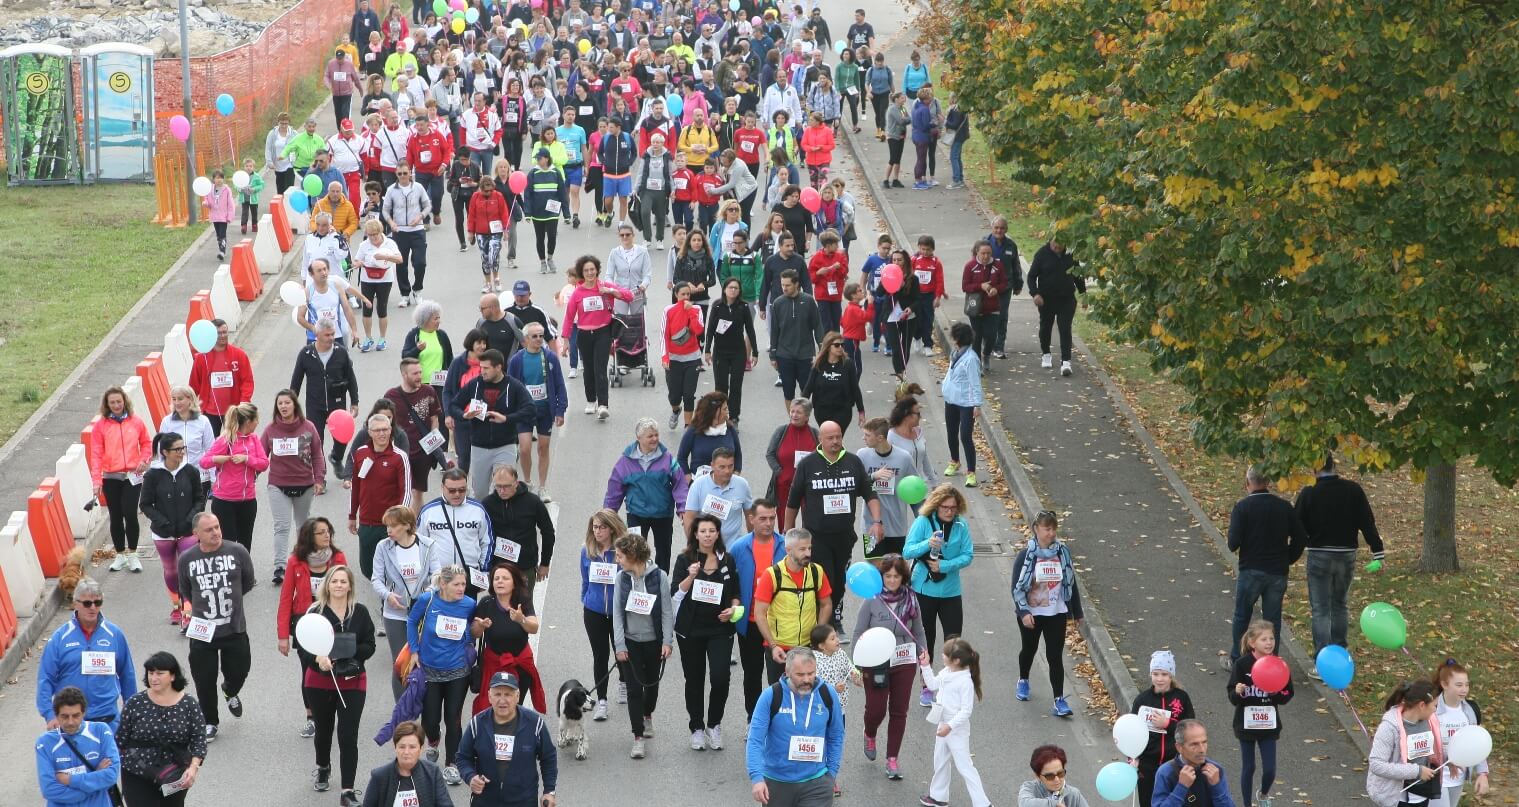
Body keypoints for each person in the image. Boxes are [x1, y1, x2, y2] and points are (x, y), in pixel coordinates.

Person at [785, 421, 882, 635]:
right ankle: (824, 626)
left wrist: (877, 522)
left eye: (838, 436)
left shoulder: (853, 462)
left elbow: (869, 494)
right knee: (824, 579)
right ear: (820, 439)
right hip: (816, 538)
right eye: (830, 438)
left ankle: (830, 619)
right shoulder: (808, 464)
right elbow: (792, 501)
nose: (836, 441)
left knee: (838, 583)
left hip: (844, 536)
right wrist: (788, 532)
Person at [1293, 453, 1386, 668]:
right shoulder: (1353, 490)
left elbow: (1297, 525)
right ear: (1333, 465)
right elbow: (1367, 521)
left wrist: (1295, 549)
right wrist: (1377, 551)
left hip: (1319, 554)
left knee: (1321, 608)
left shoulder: (1309, 492)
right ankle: (1341, 650)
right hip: (1346, 554)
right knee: (1340, 603)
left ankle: (1322, 659)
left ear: (1315, 469)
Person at [295, 565, 376, 805]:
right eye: (335, 581)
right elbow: (303, 645)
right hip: (319, 683)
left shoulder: (360, 612)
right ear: (327, 585)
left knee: (348, 735)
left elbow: (370, 644)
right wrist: (317, 659)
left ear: (350, 585)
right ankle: (323, 765)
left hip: (352, 681)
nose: (339, 585)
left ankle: (347, 791)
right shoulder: (315, 611)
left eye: (343, 581)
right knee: (323, 730)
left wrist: (349, 653)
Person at [177, 512, 256, 741]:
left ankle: (230, 690)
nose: (216, 532)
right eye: (209, 529)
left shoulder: (237, 551)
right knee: (204, 679)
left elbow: (247, 582)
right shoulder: (187, 559)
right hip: (202, 631)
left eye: (217, 527)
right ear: (196, 534)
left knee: (240, 670)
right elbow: (185, 589)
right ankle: (210, 721)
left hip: (234, 628)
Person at [854, 555, 929, 781]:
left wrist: (923, 652)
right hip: (876, 662)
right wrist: (857, 665)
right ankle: (870, 732)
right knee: (876, 710)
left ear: (903, 577)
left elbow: (918, 630)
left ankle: (892, 759)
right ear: (881, 577)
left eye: (897, 576)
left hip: (904, 660)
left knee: (899, 710)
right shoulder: (871, 600)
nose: (893, 580)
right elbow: (858, 632)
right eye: (888, 576)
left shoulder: (912, 598)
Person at [672, 513, 743, 752]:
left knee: (720, 677)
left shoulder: (728, 560)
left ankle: (714, 724)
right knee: (694, 679)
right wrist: (691, 576)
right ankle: (697, 728)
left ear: (718, 533)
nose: (707, 535)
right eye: (703, 531)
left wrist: (733, 610)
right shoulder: (684, 560)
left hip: (720, 628)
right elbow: (675, 594)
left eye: (712, 531)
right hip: (690, 630)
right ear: (695, 534)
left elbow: (736, 593)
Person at [1225, 466, 1306, 666]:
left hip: (1251, 569)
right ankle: (1270, 661)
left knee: (1242, 615)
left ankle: (1238, 658)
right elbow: (1301, 537)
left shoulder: (1242, 508)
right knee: (1272, 619)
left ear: (1247, 483)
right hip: (1277, 571)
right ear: (1268, 482)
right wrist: (1288, 558)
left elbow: (1232, 543)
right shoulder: (1284, 507)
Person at [745, 645, 845, 806]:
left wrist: (831, 773)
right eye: (800, 674)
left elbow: (836, 735)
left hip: (817, 782)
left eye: (811, 673)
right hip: (777, 782)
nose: (806, 679)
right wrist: (756, 778)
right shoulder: (771, 696)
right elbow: (755, 739)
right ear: (787, 671)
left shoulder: (827, 694)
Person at [407, 565, 479, 784]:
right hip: (429, 669)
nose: (461, 589)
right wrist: (414, 651)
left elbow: (472, 630)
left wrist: (474, 635)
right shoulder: (427, 600)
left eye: (463, 584)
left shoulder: (469, 604)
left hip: (458, 670)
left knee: (453, 718)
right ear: (443, 584)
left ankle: (452, 765)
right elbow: (411, 621)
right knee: (430, 720)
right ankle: (434, 741)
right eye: (456, 584)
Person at [276, 517, 348, 736]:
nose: (327, 535)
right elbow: (286, 598)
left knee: (335, 666)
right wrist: (282, 636)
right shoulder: (295, 562)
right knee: (309, 671)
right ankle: (311, 716)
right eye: (321, 532)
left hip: (334, 621)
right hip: (305, 623)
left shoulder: (338, 558)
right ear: (310, 537)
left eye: (328, 531)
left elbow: (348, 590)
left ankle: (335, 710)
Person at [36, 578, 136, 734]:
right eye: (87, 603)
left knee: (111, 759)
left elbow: (127, 674)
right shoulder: (60, 637)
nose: (93, 608)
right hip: (71, 722)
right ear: (76, 603)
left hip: (107, 720)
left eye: (98, 603)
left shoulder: (114, 634)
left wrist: (131, 712)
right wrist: (49, 715)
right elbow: (46, 678)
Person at [1011, 509, 1085, 717]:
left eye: (1054, 529)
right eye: (1047, 529)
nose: (1051, 533)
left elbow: (1071, 582)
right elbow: (1016, 587)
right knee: (1029, 648)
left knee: (1055, 656)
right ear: (1036, 529)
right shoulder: (1026, 556)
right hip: (1031, 614)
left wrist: (1076, 611)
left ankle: (1059, 700)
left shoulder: (1062, 553)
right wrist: (1023, 612)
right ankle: (1023, 679)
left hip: (1056, 612)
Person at [611, 532, 675, 759]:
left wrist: (667, 641)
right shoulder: (621, 578)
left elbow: (667, 611)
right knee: (634, 690)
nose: (617, 560)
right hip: (630, 643)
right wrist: (619, 645)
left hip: (654, 642)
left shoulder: (660, 576)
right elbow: (617, 613)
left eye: (620, 556)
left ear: (633, 555)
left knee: (652, 686)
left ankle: (648, 715)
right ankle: (637, 736)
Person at [115, 652, 207, 807]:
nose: (153, 678)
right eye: (151, 673)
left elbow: (199, 739)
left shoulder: (189, 704)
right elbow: (120, 739)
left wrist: (193, 768)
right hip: (137, 771)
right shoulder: (135, 702)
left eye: (160, 673)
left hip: (174, 773)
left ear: (172, 676)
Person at [604, 418, 691, 573]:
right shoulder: (625, 462)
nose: (655, 439)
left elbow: (680, 484)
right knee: (634, 552)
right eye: (650, 436)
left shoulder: (668, 459)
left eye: (656, 435)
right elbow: (614, 490)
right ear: (639, 438)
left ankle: (660, 583)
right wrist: (608, 515)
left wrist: (683, 508)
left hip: (662, 514)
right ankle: (637, 584)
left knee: (663, 553)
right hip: (636, 514)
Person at [371, 505, 442, 694]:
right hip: (396, 613)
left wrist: (428, 592)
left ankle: (423, 710)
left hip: (423, 612)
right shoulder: (383, 547)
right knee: (401, 662)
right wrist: (388, 595)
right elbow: (376, 579)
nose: (389, 530)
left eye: (393, 526)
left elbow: (437, 574)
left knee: (423, 661)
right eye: (387, 526)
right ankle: (402, 715)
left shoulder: (427, 545)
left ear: (407, 525)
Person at [140, 432, 206, 625]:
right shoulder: (153, 475)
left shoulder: (191, 471)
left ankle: (188, 611)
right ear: (165, 452)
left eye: (183, 448)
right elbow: (145, 504)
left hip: (187, 531)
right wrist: (163, 523)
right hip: (163, 533)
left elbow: (199, 499)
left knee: (187, 570)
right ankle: (176, 606)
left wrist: (190, 520)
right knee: (171, 571)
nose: (181, 452)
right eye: (177, 449)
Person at [753, 528, 834, 685]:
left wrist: (818, 634)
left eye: (809, 548)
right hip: (780, 649)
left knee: (807, 695)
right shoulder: (771, 575)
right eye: (802, 549)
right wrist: (773, 646)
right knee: (781, 699)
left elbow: (826, 604)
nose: (808, 553)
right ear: (788, 550)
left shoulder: (816, 571)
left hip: (808, 647)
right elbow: (759, 613)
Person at [1227, 620, 1293, 807]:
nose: (1269, 642)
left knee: (1270, 769)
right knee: (1249, 767)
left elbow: (1288, 694)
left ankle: (1263, 794)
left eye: (1271, 638)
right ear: (1252, 643)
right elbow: (1231, 696)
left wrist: (1276, 693)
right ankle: (1246, 804)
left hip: (1268, 725)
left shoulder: (1279, 664)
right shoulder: (1241, 665)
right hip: (1245, 724)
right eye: (1264, 639)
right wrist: (1238, 691)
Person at [917, 637, 990, 807]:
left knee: (965, 767)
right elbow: (933, 684)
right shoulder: (947, 672)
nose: (942, 656)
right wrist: (926, 665)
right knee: (940, 761)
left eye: (945, 654)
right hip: (944, 725)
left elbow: (966, 711)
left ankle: (983, 804)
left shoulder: (965, 682)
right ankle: (938, 797)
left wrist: (949, 726)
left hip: (955, 729)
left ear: (956, 660)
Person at [562, 255, 635, 419]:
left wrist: (610, 291)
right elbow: (568, 317)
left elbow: (629, 296)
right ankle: (591, 400)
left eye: (592, 269)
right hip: (584, 334)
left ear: (597, 270)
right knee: (588, 369)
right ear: (582, 272)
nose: (590, 273)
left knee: (599, 368)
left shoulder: (605, 287)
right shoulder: (577, 293)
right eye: (586, 270)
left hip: (603, 332)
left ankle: (603, 404)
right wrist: (566, 341)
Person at [263, 390, 324, 585]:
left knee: (302, 526)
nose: (283, 406)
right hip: (278, 485)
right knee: (281, 527)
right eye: (280, 403)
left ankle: (301, 561)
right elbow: (259, 454)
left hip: (304, 484)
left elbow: (317, 454)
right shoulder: (271, 429)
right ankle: (280, 566)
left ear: (294, 405)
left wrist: (319, 479)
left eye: (287, 403)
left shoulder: (308, 427)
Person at [90, 387, 152, 572]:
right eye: (112, 402)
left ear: (124, 401)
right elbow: (95, 455)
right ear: (107, 405)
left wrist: (144, 460)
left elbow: (147, 443)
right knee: (115, 517)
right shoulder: (100, 426)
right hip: (111, 477)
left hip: (132, 477)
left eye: (119, 401)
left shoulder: (136, 422)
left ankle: (133, 554)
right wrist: (96, 481)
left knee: (130, 514)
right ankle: (120, 555)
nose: (117, 405)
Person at [471, 563, 546, 715]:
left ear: (513, 583)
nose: (500, 581)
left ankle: (512, 737)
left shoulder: (522, 601)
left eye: (505, 578)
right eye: (496, 578)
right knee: (492, 709)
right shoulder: (486, 604)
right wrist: (481, 626)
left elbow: (534, 627)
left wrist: (521, 619)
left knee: (514, 709)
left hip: (520, 664)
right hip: (494, 664)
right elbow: (475, 634)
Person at [290, 319, 361, 477]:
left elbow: (351, 378)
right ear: (317, 334)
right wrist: (291, 406)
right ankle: (320, 475)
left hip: (337, 403)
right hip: (315, 404)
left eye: (333, 334)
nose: (331, 338)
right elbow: (296, 382)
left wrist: (355, 402)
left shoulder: (341, 352)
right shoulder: (306, 354)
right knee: (316, 441)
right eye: (327, 335)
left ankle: (336, 458)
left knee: (342, 438)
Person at [506, 323, 568, 497]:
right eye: (535, 336)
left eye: (541, 335)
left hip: (544, 410)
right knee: (524, 449)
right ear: (526, 339)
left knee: (543, 447)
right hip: (524, 411)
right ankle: (527, 482)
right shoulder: (517, 360)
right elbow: (510, 386)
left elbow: (559, 384)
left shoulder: (550, 358)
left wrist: (560, 410)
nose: (539, 339)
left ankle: (542, 486)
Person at [349, 411, 412, 578]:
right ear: (369, 432)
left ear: (391, 430)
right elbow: (356, 486)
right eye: (377, 430)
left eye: (385, 429)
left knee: (391, 570)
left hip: (390, 526)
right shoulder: (361, 453)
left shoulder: (400, 457)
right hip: (367, 523)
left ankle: (387, 600)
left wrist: (398, 520)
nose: (382, 433)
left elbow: (406, 492)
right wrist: (351, 515)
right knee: (368, 569)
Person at [579, 509, 628, 722]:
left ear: (612, 528)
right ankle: (602, 701)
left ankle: (624, 684)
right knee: (600, 655)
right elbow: (585, 579)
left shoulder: (622, 551)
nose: (597, 531)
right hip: (594, 611)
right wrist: (587, 599)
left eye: (602, 527)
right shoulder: (587, 551)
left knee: (622, 651)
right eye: (595, 527)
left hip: (619, 612)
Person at [200, 402, 268, 553]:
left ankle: (245, 574)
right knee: (228, 542)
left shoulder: (254, 439)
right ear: (249, 421)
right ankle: (230, 574)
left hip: (248, 499)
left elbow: (264, 463)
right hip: (225, 501)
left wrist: (246, 459)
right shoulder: (225, 440)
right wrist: (218, 459)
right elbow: (204, 462)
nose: (258, 423)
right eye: (256, 419)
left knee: (245, 541)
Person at [1131, 651, 1197, 807]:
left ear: (1171, 676)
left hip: (1174, 763)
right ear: (1150, 674)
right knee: (1147, 802)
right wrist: (1132, 757)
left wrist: (1168, 724)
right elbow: (1131, 730)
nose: (1159, 679)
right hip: (1147, 765)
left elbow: (1191, 729)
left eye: (1164, 674)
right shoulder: (1142, 699)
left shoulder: (1182, 698)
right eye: (1155, 674)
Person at [36, 686, 120, 807]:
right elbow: (49, 789)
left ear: (84, 713)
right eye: (64, 716)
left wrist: (69, 780)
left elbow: (111, 775)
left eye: (76, 716)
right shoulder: (44, 742)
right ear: (56, 715)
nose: (70, 722)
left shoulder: (101, 731)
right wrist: (93, 782)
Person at [416, 467, 493, 598]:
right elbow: (419, 545)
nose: (457, 494)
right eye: (452, 490)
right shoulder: (428, 511)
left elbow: (487, 542)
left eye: (462, 490)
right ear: (442, 487)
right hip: (439, 579)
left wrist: (484, 572)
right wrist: (425, 576)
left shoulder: (478, 509)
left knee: (467, 617)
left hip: (467, 579)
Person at [1367, 681, 1444, 807]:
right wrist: (1416, 771)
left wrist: (1449, 758)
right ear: (1422, 705)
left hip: (1422, 794)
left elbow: (1435, 750)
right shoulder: (1389, 727)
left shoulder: (1430, 720)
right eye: (1435, 705)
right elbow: (1376, 764)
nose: (1436, 710)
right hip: (1398, 797)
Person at [385, 357, 446, 513]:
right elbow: (385, 422)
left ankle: (412, 525)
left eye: (420, 372)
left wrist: (433, 442)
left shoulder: (429, 391)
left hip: (422, 452)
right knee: (400, 490)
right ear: (404, 375)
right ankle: (400, 522)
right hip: (400, 452)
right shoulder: (391, 396)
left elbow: (434, 419)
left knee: (417, 491)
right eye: (415, 373)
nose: (419, 376)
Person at [482, 465, 555, 590]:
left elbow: (548, 532)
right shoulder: (487, 504)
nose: (502, 491)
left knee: (524, 607)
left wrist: (545, 563)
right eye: (498, 486)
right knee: (499, 607)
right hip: (498, 567)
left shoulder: (533, 502)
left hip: (524, 567)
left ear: (516, 483)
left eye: (506, 486)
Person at [807, 624, 859, 797]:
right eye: (832, 638)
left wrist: (855, 676)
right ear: (821, 645)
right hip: (819, 711)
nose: (838, 640)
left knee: (834, 744)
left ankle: (831, 779)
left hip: (839, 711)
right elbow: (812, 685)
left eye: (836, 637)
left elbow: (850, 669)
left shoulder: (841, 654)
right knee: (819, 743)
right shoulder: (813, 660)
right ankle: (815, 777)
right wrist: (832, 688)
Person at [1432, 659, 1491, 806]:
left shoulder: (1470, 711)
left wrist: (1483, 774)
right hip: (1434, 777)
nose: (1464, 689)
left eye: (1467, 684)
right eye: (1459, 685)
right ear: (1444, 684)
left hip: (1457, 778)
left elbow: (1476, 744)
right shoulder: (1431, 710)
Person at [1026, 237, 1085, 376]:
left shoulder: (1071, 254)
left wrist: (1084, 294)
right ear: (1050, 242)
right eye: (1055, 246)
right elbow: (1031, 276)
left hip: (1067, 299)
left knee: (1065, 328)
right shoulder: (1042, 254)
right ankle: (1046, 353)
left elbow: (1078, 276)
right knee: (1046, 327)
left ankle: (1066, 362)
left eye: (1060, 247)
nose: (1057, 249)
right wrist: (1035, 294)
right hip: (1046, 299)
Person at [360, 720, 452, 807]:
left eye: (412, 747)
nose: (406, 752)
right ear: (395, 747)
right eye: (402, 747)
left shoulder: (432, 772)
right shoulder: (379, 776)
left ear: (421, 748)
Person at [705, 277, 759, 423]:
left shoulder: (743, 307)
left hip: (738, 352)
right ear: (724, 289)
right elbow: (710, 330)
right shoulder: (717, 306)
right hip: (720, 352)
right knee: (721, 387)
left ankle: (734, 416)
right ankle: (720, 416)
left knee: (736, 386)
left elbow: (750, 330)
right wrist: (707, 350)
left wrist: (755, 352)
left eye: (736, 288)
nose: (733, 290)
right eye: (730, 287)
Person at [769, 269, 825, 405]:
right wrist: (773, 355)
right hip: (784, 355)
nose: (784, 288)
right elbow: (774, 331)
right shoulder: (778, 303)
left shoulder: (808, 301)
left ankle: (803, 420)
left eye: (787, 285)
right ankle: (793, 422)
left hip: (805, 354)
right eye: (782, 285)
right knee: (788, 392)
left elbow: (817, 326)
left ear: (796, 284)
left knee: (805, 391)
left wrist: (822, 348)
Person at [940, 321, 985, 487]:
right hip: (951, 400)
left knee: (965, 435)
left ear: (958, 338)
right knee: (951, 432)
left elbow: (975, 383)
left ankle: (971, 472)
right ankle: (954, 461)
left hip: (966, 403)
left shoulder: (971, 359)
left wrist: (977, 404)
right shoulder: (956, 353)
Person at [383, 160, 432, 307]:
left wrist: (420, 217)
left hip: (417, 230)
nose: (403, 176)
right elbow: (385, 210)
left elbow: (427, 205)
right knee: (401, 264)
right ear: (396, 174)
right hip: (400, 231)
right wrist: (391, 223)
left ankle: (417, 289)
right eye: (400, 174)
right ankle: (405, 294)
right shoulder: (391, 189)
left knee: (420, 263)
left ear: (410, 172)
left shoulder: (418, 187)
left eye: (405, 173)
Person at [353, 217, 405, 351]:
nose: (373, 238)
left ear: (380, 232)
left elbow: (399, 259)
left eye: (375, 235)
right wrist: (358, 263)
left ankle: (382, 338)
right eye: (370, 235)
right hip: (367, 279)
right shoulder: (364, 245)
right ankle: (368, 338)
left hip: (385, 279)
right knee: (367, 309)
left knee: (382, 309)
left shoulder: (390, 243)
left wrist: (384, 257)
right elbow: (356, 260)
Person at [682, 447, 753, 544]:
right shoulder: (698, 485)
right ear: (712, 466)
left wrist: (753, 543)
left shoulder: (742, 484)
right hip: (707, 548)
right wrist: (692, 546)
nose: (727, 471)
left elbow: (750, 516)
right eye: (722, 467)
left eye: (730, 466)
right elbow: (689, 517)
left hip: (734, 548)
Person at [765, 399, 818, 527]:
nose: (794, 415)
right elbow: (770, 454)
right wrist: (779, 471)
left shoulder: (815, 434)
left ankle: (806, 545)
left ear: (807, 416)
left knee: (810, 521)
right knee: (785, 523)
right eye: (792, 411)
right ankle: (787, 545)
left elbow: (821, 456)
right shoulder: (781, 431)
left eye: (798, 412)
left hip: (808, 486)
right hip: (784, 485)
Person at [801, 332, 864, 435]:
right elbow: (808, 388)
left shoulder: (848, 364)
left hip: (843, 410)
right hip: (822, 410)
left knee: (836, 437)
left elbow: (855, 389)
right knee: (826, 438)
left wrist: (861, 411)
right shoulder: (819, 364)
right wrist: (801, 409)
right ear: (828, 347)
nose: (840, 347)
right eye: (837, 345)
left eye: (842, 345)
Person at [158, 385, 216, 495]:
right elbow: (160, 451)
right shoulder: (166, 422)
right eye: (174, 399)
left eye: (180, 399)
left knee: (197, 512)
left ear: (190, 399)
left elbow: (211, 451)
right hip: (174, 477)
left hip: (199, 478)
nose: (176, 403)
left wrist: (214, 478)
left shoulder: (203, 421)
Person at [663, 282, 707, 428]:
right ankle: (676, 410)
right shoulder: (668, 310)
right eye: (683, 294)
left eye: (688, 294)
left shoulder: (696, 309)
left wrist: (690, 312)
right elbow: (664, 335)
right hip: (674, 359)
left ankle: (688, 426)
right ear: (676, 295)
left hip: (692, 358)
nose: (686, 297)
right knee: (674, 396)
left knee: (689, 394)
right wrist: (665, 357)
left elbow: (699, 330)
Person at [962, 240, 1007, 364]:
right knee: (977, 337)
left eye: (988, 253)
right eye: (983, 253)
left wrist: (996, 289)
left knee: (991, 335)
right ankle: (977, 363)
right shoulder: (970, 266)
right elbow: (965, 286)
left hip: (993, 307)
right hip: (976, 307)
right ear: (977, 252)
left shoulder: (998, 265)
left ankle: (986, 354)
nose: (986, 256)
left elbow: (1004, 283)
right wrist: (980, 286)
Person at [984, 217, 1023, 359]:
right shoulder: (984, 243)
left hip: (1004, 287)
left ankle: (999, 347)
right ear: (992, 227)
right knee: (987, 315)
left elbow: (1016, 266)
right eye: (996, 228)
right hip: (987, 288)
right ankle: (987, 344)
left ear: (1006, 229)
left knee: (1002, 316)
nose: (999, 230)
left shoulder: (1011, 245)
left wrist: (1018, 284)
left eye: (1002, 228)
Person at [677, 391, 744, 474]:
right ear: (714, 412)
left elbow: (738, 455)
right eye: (725, 409)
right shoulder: (694, 430)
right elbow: (681, 458)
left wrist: (736, 474)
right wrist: (689, 480)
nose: (727, 412)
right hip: (699, 482)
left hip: (726, 482)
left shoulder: (730, 429)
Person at [1019, 745, 1093, 807]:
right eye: (1050, 776)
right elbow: (1025, 804)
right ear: (1037, 776)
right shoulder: (1029, 787)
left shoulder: (1074, 794)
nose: (1057, 779)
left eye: (1060, 773)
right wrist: (1055, 802)